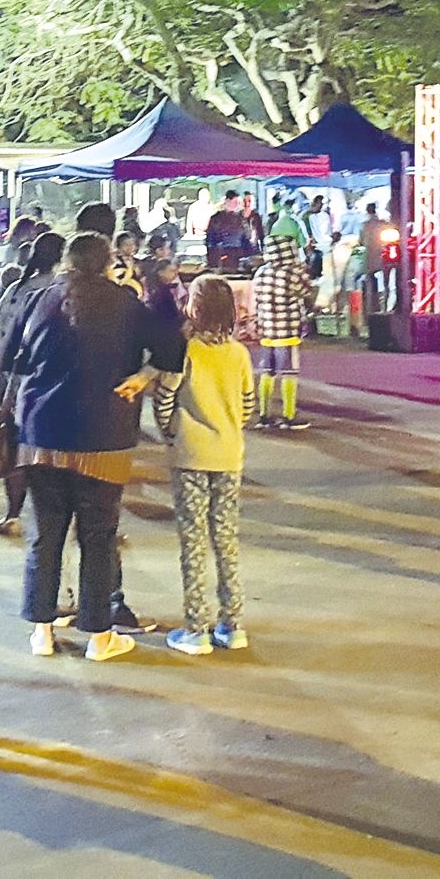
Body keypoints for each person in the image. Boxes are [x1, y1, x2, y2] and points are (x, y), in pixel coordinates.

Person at [0, 233, 169, 663]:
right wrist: (142, 378)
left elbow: (1, 357)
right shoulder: (126, 302)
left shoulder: (37, 298)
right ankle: (99, 637)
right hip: (103, 436)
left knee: (44, 533)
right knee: (98, 535)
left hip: (41, 434)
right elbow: (171, 346)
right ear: (108, 263)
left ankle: (42, 632)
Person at [154, 275, 256, 656]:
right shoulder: (239, 354)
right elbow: (247, 407)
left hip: (190, 456)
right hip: (228, 455)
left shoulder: (185, 352)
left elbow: (164, 399)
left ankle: (196, 628)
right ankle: (233, 624)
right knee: (226, 538)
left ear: (194, 309)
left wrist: (171, 431)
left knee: (193, 540)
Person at [0, 231, 66, 535]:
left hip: (16, 383)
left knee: (16, 448)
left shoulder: (16, 289)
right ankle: (53, 517)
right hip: (56, 384)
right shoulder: (63, 291)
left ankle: (13, 514)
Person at [250, 222, 314, 432]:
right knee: (288, 373)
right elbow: (307, 291)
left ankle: (264, 415)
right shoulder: (292, 272)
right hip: (288, 331)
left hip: (266, 331)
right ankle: (288, 415)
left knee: (267, 373)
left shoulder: (261, 272)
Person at [203, 191, 253, 269]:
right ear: (227, 201)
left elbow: (246, 237)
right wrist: (213, 260)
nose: (237, 205)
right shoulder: (216, 218)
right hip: (222, 255)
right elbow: (210, 240)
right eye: (235, 202)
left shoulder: (241, 218)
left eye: (238, 202)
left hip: (239, 255)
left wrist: (248, 255)